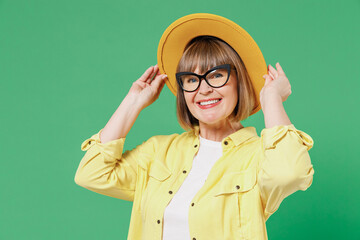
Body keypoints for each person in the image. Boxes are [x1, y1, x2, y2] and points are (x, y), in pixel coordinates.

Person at [74, 13, 315, 240]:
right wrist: (133, 103)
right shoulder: (159, 151)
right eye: (191, 79)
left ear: (238, 81)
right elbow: (91, 174)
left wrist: (270, 98)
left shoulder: (259, 155)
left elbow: (289, 174)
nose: (204, 88)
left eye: (217, 75)